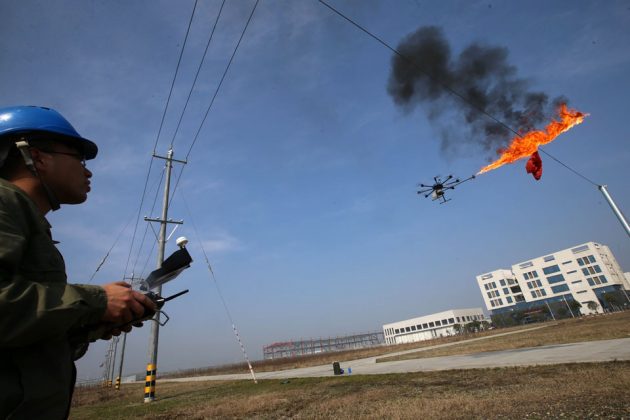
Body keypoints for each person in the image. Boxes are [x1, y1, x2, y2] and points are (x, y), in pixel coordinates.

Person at [0, 105, 156, 419]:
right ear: (37, 157)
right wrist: (97, 300)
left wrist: (89, 324)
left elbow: (22, 340)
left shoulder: (29, 220)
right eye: (79, 158)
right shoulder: (4, 203)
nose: (88, 171)